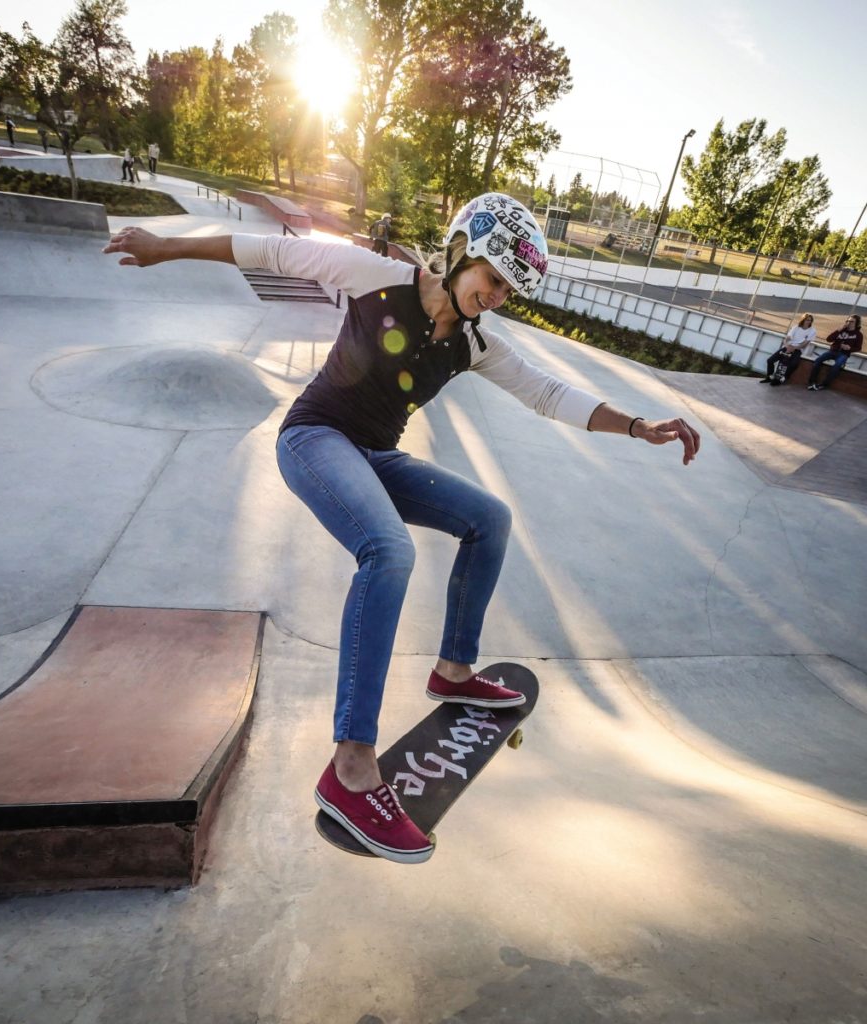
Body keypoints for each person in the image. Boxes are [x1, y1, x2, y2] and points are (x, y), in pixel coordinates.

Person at [102, 192, 700, 864]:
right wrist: (165, 247)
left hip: (377, 456)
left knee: (489, 519)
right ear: (459, 254)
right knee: (388, 550)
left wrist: (637, 426)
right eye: (492, 279)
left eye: (508, 290)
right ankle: (352, 764)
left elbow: (546, 392)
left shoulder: (475, 344)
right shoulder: (374, 277)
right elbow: (269, 250)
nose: (496, 297)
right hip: (315, 437)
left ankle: (452, 669)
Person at [807, 314, 863, 391]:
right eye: (848, 321)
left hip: (844, 354)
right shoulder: (841, 330)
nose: (849, 323)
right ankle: (812, 381)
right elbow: (829, 339)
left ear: (856, 324)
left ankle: (823, 384)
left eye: (851, 322)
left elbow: (858, 348)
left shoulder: (858, 335)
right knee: (818, 360)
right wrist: (838, 330)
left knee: (837, 365)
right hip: (833, 351)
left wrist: (849, 348)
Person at [761, 313, 815, 384]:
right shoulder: (796, 327)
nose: (808, 322)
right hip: (788, 347)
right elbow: (787, 338)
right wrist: (786, 345)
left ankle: (783, 378)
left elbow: (805, 344)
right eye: (807, 320)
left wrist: (794, 348)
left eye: (810, 320)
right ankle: (769, 377)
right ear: (803, 320)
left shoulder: (812, 331)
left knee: (793, 364)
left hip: (797, 350)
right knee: (770, 360)